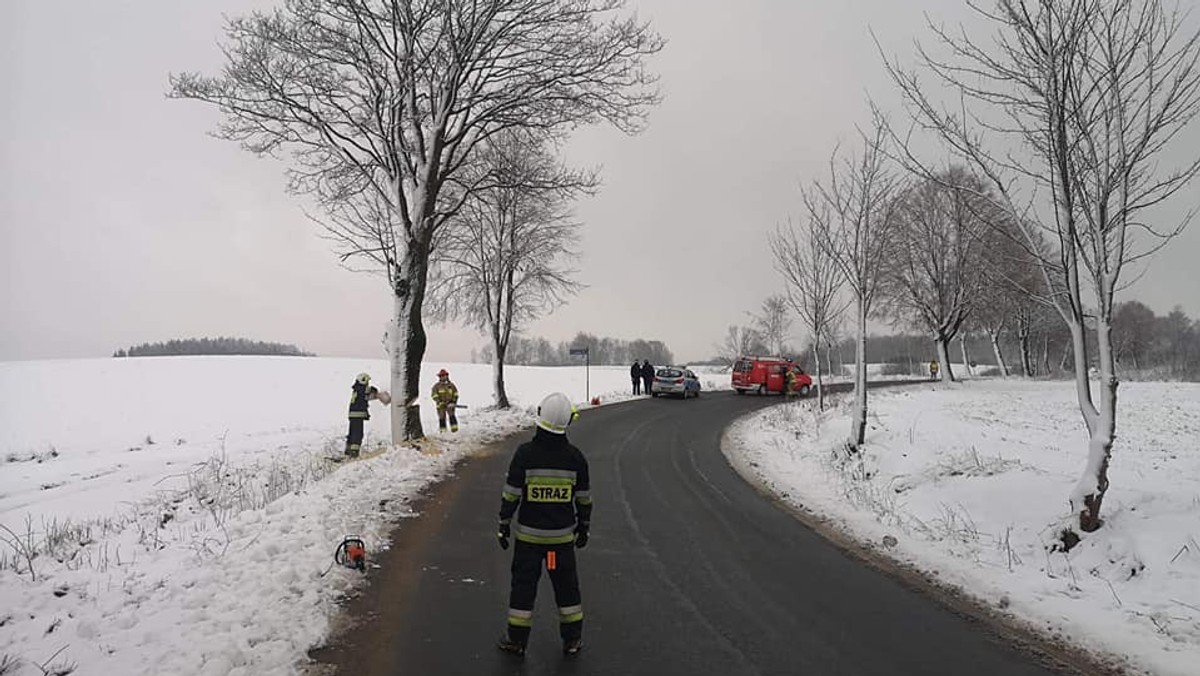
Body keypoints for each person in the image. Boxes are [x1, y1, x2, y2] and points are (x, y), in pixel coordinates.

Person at [496, 392, 591, 658]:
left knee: (523, 591)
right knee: (567, 590)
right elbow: (584, 499)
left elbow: (511, 493)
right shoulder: (576, 458)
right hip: (560, 545)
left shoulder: (525, 455)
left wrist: (503, 523)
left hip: (529, 542)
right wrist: (584, 527)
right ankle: (572, 640)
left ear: (540, 418)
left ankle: (517, 641)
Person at [346, 372, 379, 458]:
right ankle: (354, 452)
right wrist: (375, 391)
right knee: (358, 434)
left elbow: (365, 398)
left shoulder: (356, 390)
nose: (368, 384)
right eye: (367, 382)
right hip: (358, 415)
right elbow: (369, 391)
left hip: (352, 415)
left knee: (352, 433)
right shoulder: (362, 388)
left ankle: (348, 451)